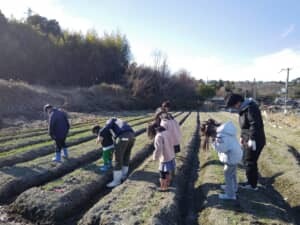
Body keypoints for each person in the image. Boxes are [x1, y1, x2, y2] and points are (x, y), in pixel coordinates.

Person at [225, 93, 266, 190]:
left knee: (249, 161)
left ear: (238, 102)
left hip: (255, 139)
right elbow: (245, 126)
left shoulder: (251, 108)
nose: (234, 108)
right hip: (248, 138)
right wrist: (242, 137)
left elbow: (254, 125)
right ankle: (251, 181)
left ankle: (252, 185)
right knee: (247, 160)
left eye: (234, 105)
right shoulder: (243, 109)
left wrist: (252, 139)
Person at [98, 118, 135, 188]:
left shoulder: (111, 120)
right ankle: (124, 175)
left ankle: (116, 181)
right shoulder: (121, 121)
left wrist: (100, 134)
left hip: (123, 137)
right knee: (126, 156)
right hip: (132, 137)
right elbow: (115, 135)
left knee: (118, 158)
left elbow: (107, 127)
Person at [212, 121, 243, 200]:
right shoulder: (227, 131)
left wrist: (213, 143)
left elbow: (221, 149)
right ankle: (234, 187)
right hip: (236, 154)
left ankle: (230, 195)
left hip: (232, 157)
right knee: (233, 173)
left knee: (228, 174)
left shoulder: (221, 136)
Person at [150, 119, 176, 191]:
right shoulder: (167, 132)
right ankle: (168, 184)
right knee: (168, 172)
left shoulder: (159, 136)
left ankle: (163, 188)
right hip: (171, 155)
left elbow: (159, 149)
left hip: (165, 157)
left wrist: (155, 157)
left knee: (162, 173)